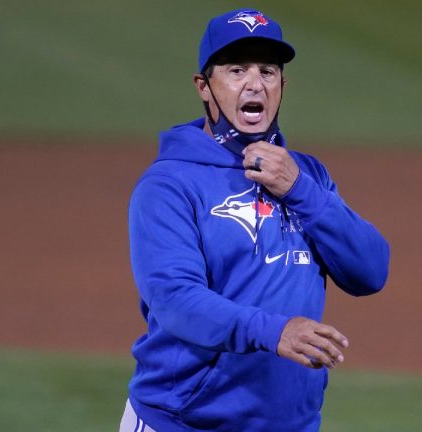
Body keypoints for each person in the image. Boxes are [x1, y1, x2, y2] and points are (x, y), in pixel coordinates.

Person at [120, 8, 389, 432]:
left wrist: (300, 190)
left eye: (267, 70)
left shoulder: (307, 177)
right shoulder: (170, 184)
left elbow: (371, 271)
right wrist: (274, 331)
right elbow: (174, 300)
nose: (254, 83)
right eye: (236, 69)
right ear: (204, 87)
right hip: (184, 422)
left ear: (282, 85)